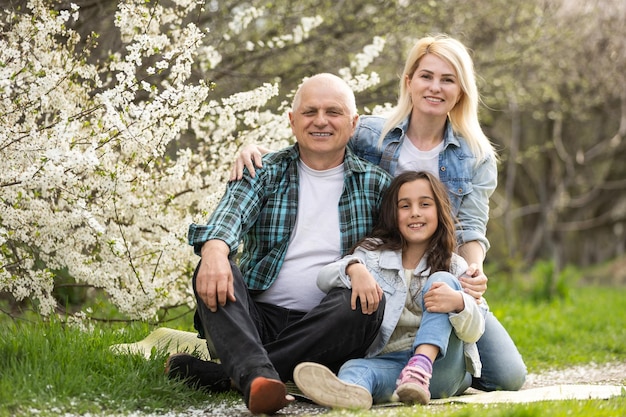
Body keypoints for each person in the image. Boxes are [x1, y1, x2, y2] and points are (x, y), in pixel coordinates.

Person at [229, 34, 526, 392]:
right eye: (426, 76)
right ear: (409, 82)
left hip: (437, 274)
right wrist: (256, 150)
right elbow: (314, 140)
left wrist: (474, 270)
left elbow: (471, 228)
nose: (435, 87)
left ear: (461, 90)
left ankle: (436, 369)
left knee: (507, 376)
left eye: (448, 80)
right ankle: (367, 371)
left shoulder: (476, 156)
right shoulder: (371, 133)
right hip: (380, 273)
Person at [166, 73, 392, 415]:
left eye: (333, 112)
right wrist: (214, 249)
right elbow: (230, 215)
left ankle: (241, 374)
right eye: (309, 112)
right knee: (215, 264)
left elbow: (401, 245)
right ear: (292, 120)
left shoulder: (376, 184)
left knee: (366, 301)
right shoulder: (264, 171)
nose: (320, 121)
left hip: (328, 327)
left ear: (353, 122)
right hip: (254, 322)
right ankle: (261, 373)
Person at [292, 171, 486, 409]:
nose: (415, 212)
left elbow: (475, 332)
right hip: (394, 365)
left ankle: (420, 366)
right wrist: (354, 268)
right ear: (393, 214)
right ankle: (350, 394)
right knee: (356, 368)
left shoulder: (455, 264)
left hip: (442, 368)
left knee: (442, 280)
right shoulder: (373, 255)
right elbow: (324, 277)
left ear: (439, 210)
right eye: (405, 206)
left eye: (424, 204)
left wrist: (458, 302)